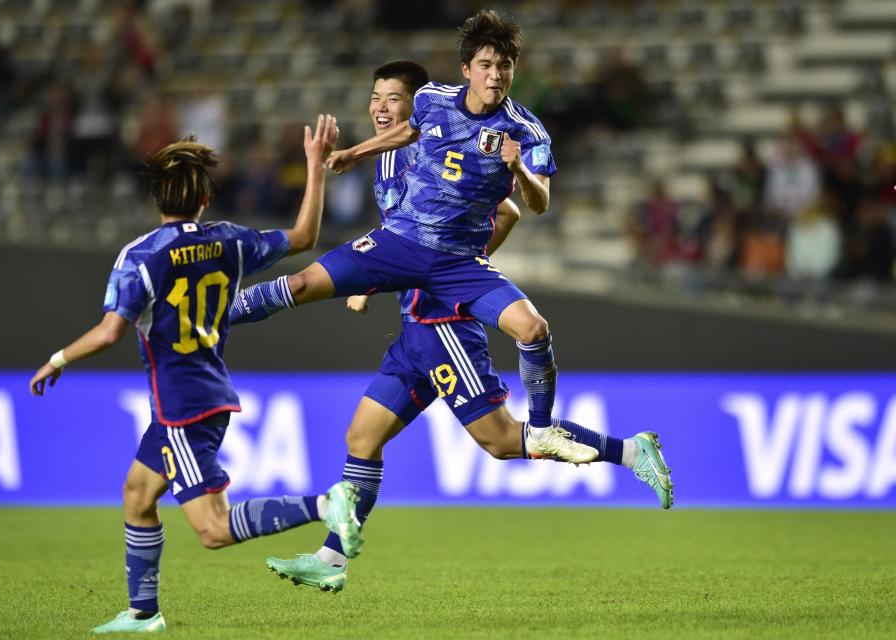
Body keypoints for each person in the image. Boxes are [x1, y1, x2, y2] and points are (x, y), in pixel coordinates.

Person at [248, 61, 674, 594]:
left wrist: (457, 277)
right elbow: (399, 239)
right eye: (375, 98)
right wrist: (371, 282)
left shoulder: (442, 145)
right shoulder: (385, 161)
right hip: (413, 328)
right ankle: (333, 558)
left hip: (442, 322)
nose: (382, 108)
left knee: (499, 440)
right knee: (362, 436)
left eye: (395, 99)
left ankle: (632, 451)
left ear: (419, 107)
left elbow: (513, 213)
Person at [28, 118, 364, 634]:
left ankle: (325, 502)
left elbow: (108, 332)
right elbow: (303, 236)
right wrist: (316, 169)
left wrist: (57, 359)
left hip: (183, 404)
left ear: (157, 197)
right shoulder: (229, 241)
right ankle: (143, 614)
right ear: (204, 199)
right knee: (138, 495)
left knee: (211, 529)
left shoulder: (140, 256)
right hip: (201, 393)